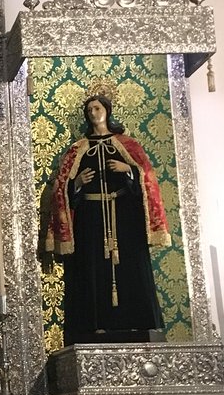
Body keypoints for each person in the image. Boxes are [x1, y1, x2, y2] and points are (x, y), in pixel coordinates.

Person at [46, 93, 171, 346]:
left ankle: (135, 321)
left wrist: (129, 171)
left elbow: (147, 177)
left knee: (131, 268)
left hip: (124, 218)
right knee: (91, 270)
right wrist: (77, 184)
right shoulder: (78, 149)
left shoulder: (127, 144)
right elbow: (61, 187)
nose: (94, 113)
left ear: (107, 110)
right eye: (89, 109)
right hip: (90, 220)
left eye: (97, 107)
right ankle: (95, 324)